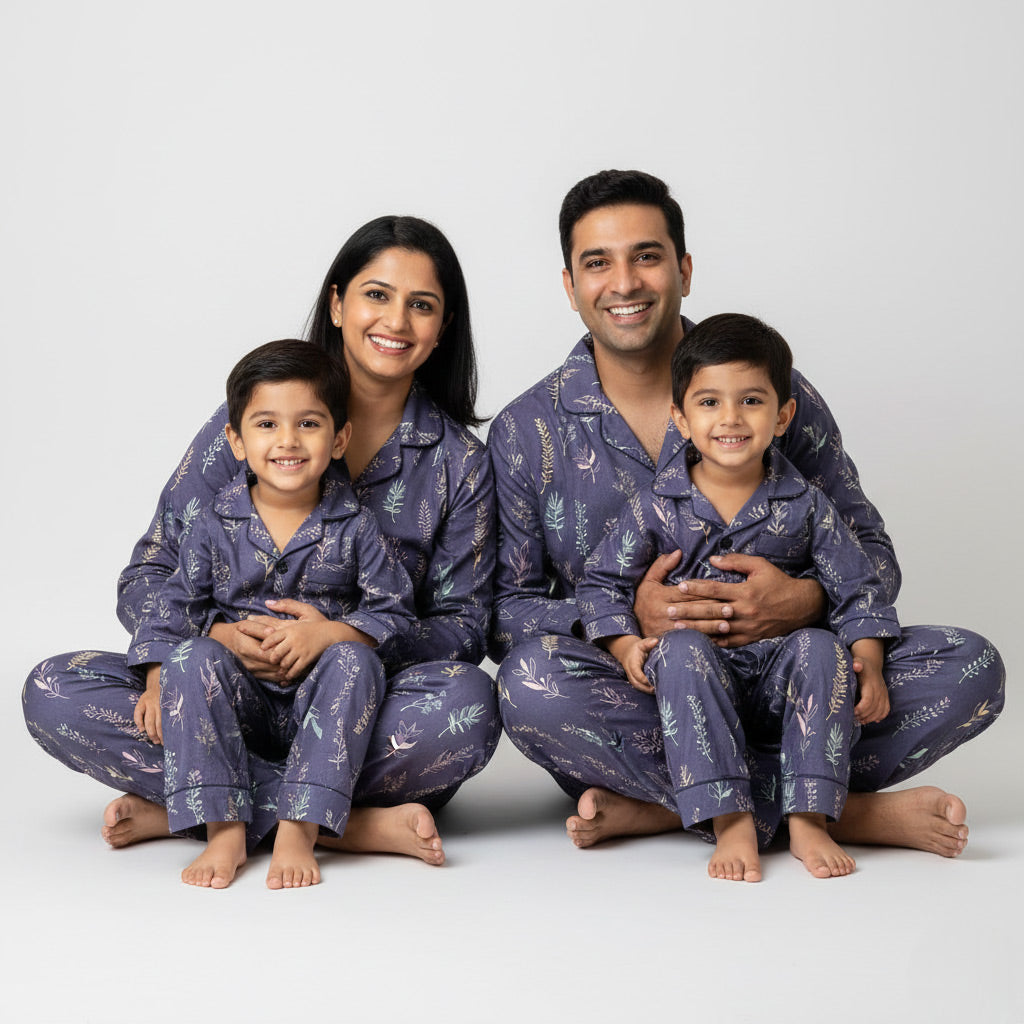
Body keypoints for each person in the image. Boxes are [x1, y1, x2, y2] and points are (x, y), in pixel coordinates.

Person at [490, 169, 1004, 858]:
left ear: (684, 268)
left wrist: (803, 601)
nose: (625, 282)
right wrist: (624, 620)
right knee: (528, 685)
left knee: (972, 664)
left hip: (801, 682)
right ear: (570, 286)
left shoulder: (775, 390)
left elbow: (872, 553)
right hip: (645, 697)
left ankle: (675, 809)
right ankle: (833, 813)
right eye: (597, 263)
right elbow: (506, 613)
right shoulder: (527, 429)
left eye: (647, 255)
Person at [24, 216, 499, 868]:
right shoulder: (247, 421)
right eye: (376, 295)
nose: (396, 320)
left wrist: (338, 636)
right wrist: (201, 644)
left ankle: (200, 808)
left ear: (443, 327)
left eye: (422, 305)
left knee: (468, 706)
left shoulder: (458, 463)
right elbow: (152, 570)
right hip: (215, 692)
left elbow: (465, 627)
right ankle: (348, 825)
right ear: (337, 304)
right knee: (54, 691)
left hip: (355, 709)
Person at [578, 313, 899, 881]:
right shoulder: (655, 506)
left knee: (824, 650)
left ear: (783, 416)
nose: (730, 418)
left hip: (782, 675)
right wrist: (627, 644)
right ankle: (729, 819)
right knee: (676, 651)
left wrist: (869, 661)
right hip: (690, 678)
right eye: (708, 403)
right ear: (679, 417)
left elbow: (858, 586)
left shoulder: (806, 505)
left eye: (751, 401)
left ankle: (809, 816)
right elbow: (600, 583)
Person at [132, 340, 416, 888]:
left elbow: (396, 613)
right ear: (236, 441)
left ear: (340, 439)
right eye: (266, 425)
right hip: (235, 703)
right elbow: (173, 608)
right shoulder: (212, 526)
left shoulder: (356, 528)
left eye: (308, 423)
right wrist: (154, 679)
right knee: (189, 657)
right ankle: (224, 828)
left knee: (357, 663)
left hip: (325, 700)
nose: (287, 441)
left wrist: (332, 634)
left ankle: (298, 827)